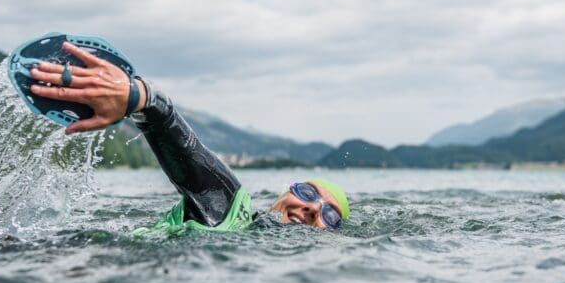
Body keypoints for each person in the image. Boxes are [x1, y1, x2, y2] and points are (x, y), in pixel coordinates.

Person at [28, 42, 350, 234]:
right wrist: (140, 98)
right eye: (308, 193)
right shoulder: (232, 212)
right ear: (286, 193)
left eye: (329, 215)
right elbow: (195, 158)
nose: (312, 209)